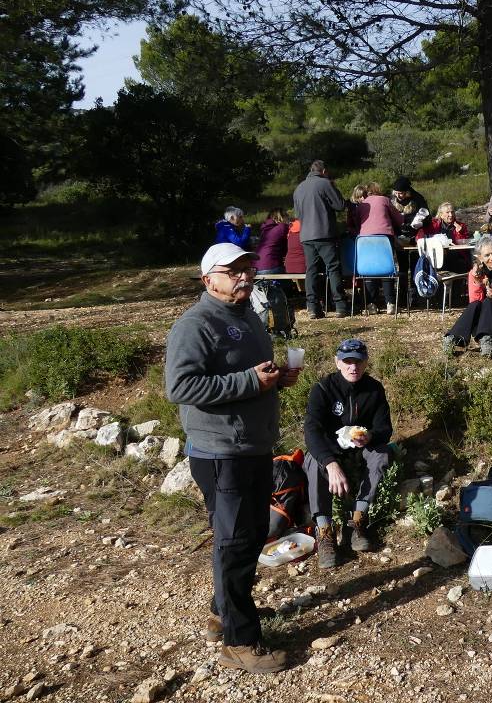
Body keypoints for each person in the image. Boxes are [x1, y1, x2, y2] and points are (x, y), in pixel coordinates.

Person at [164, 242, 302, 674]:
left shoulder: (248, 318)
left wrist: (276, 379)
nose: (245, 275)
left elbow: (249, 380)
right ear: (209, 280)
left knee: (247, 534)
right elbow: (180, 387)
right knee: (236, 541)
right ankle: (239, 642)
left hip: (253, 446)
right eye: (233, 270)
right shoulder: (196, 324)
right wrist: (249, 381)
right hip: (221, 451)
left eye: (248, 267)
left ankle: (221, 612)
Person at [303, 338, 393, 565]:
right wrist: (330, 463)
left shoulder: (374, 389)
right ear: (337, 362)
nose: (354, 367)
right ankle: (324, 531)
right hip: (332, 450)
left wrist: (370, 436)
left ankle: (358, 520)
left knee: (381, 453)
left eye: (359, 362)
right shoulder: (323, 389)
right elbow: (312, 432)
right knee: (313, 461)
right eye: (348, 362)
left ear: (366, 362)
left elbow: (385, 428)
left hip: (361, 449)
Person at [441, 235, 492, 358]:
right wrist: (477, 280)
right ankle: (453, 338)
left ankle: (486, 340)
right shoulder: (475, 273)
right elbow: (474, 302)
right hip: (484, 321)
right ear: (480, 257)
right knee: (477, 304)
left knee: (489, 301)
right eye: (487, 255)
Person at [293, 159, 349, 317]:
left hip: (306, 236)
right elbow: (340, 205)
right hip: (324, 233)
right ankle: (340, 306)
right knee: (333, 268)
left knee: (311, 270)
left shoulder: (299, 188)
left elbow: (297, 214)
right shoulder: (325, 184)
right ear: (324, 171)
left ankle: (313, 307)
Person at [351, 182, 404, 314]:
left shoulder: (362, 204)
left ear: (367, 192)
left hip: (364, 239)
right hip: (384, 238)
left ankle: (370, 304)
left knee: (369, 269)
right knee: (386, 268)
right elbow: (399, 219)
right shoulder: (385, 200)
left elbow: (357, 222)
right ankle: (390, 303)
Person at [416, 201, 472, 272]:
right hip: (437, 256)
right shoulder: (433, 225)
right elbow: (419, 236)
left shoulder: (461, 226)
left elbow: (464, 245)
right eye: (447, 212)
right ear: (441, 215)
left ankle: (454, 281)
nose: (451, 215)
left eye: (452, 212)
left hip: (456, 255)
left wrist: (460, 232)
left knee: (457, 260)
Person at [390, 176, 430, 240]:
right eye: (396, 193)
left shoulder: (418, 199)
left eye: (400, 193)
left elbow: (428, 218)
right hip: (396, 234)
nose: (398, 196)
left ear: (407, 192)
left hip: (414, 234)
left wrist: (421, 223)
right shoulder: (392, 199)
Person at [253, 209, 289, 275]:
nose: (288, 219)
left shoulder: (265, 230)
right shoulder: (282, 227)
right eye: (287, 216)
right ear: (281, 217)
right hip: (271, 265)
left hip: (256, 267)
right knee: (291, 273)